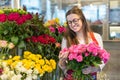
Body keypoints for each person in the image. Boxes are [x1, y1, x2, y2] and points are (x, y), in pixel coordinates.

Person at [58, 6, 105, 80]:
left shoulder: (96, 37)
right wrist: (62, 61)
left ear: (82, 20)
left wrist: (91, 69)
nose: (73, 24)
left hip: (91, 77)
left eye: (75, 20)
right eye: (69, 22)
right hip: (73, 77)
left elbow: (102, 60)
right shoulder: (66, 39)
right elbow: (64, 67)